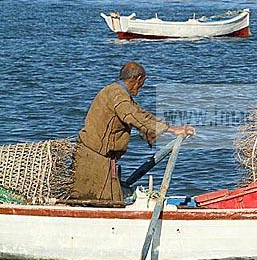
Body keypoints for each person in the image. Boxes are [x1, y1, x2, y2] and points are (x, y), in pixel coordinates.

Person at [72, 62, 195, 201]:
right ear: (138, 79)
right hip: (95, 158)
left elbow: (141, 113)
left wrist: (168, 128)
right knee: (101, 199)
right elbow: (133, 116)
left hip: (98, 156)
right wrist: (172, 130)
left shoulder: (118, 93)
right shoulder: (117, 95)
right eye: (143, 82)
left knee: (108, 197)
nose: (142, 86)